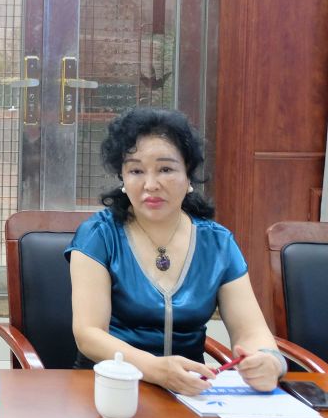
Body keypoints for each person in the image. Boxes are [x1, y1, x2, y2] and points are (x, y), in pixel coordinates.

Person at [68, 107, 285, 395]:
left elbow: (251, 331)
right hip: (111, 388)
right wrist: (156, 370)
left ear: (188, 175)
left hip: (189, 394)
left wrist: (269, 361)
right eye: (136, 171)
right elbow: (89, 335)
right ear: (123, 178)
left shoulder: (217, 243)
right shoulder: (99, 235)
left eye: (166, 169)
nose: (150, 185)